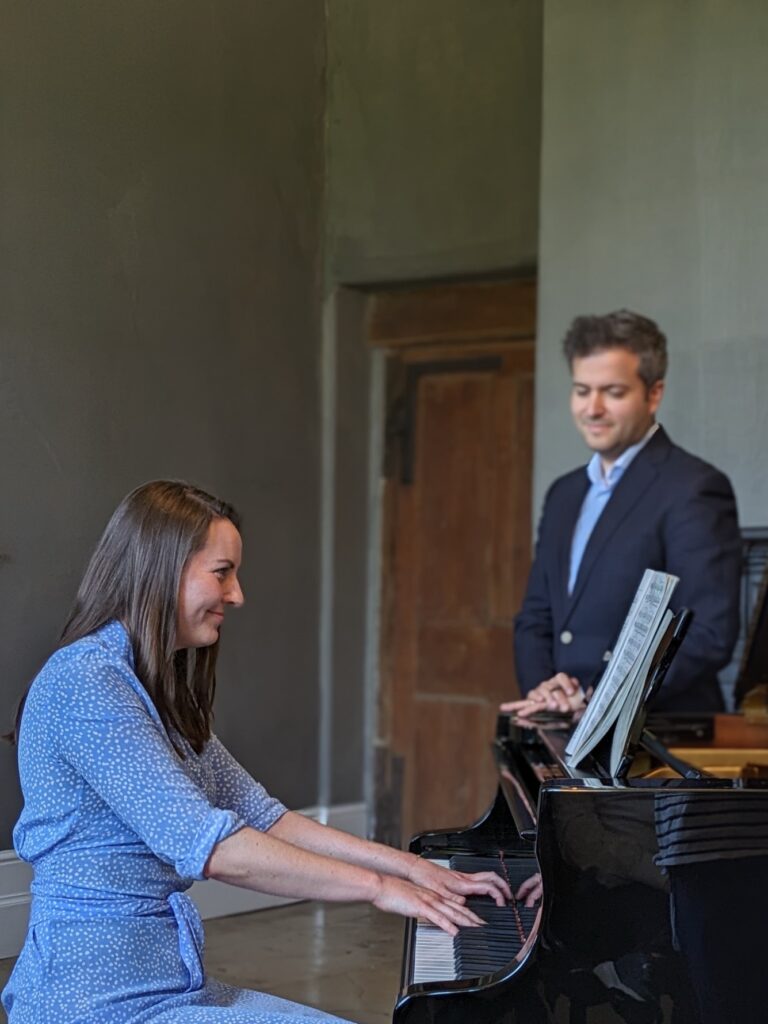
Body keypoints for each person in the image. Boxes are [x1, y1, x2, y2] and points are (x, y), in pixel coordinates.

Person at [2, 481, 510, 1024]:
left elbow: (265, 818)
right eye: (222, 572)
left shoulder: (152, 688)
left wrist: (413, 868)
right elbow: (215, 848)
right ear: (161, 568)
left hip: (172, 984)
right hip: (92, 1004)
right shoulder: (87, 681)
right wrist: (379, 890)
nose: (238, 594)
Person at [502, 309, 741, 719]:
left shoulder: (695, 487)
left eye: (612, 392)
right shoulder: (563, 493)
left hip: (652, 743)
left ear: (654, 394)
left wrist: (600, 697)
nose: (592, 408)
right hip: (561, 731)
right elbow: (536, 617)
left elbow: (708, 634)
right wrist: (545, 690)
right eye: (581, 390)